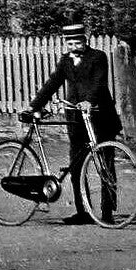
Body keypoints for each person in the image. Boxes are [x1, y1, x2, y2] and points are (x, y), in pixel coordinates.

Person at [22, 23, 123, 225]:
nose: (74, 46)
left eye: (78, 42)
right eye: (70, 43)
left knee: (105, 165)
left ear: (86, 41)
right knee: (76, 166)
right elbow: (52, 84)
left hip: (99, 115)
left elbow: (100, 82)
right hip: (76, 118)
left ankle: (107, 212)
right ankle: (82, 211)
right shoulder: (66, 61)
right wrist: (34, 106)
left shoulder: (98, 57)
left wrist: (89, 100)